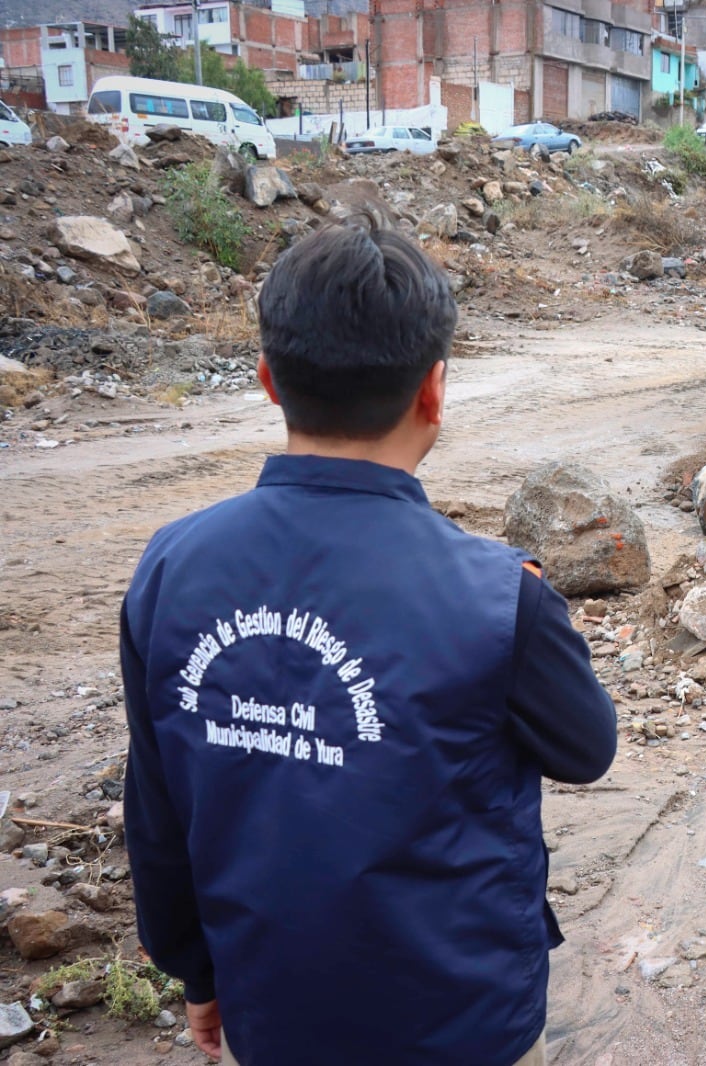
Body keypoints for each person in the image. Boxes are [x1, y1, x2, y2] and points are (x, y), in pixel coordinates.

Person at [120, 222, 618, 1066]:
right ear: (434, 391)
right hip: (463, 1026)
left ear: (268, 379)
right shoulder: (501, 597)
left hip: (272, 1015)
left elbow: (157, 812)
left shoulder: (170, 568)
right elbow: (586, 748)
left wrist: (195, 974)